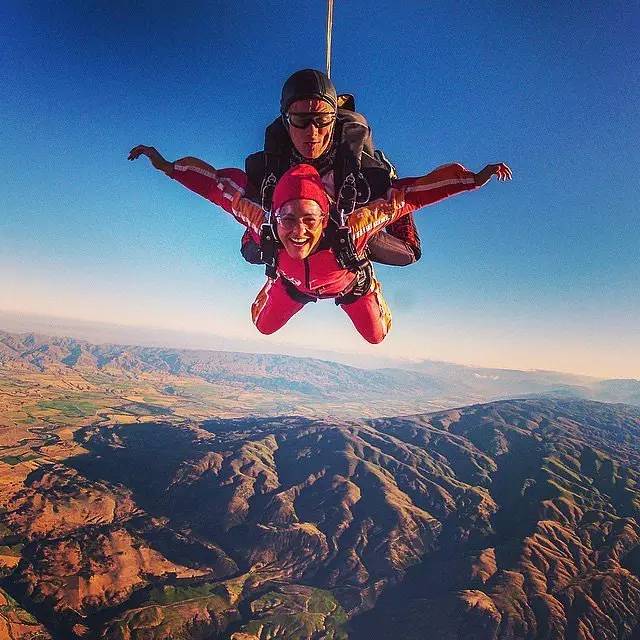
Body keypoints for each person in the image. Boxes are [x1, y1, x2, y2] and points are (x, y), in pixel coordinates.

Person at [128, 145, 511, 343]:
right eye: (287, 220)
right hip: (292, 284)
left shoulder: (354, 225)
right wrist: (165, 165)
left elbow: (411, 196)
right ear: (275, 216)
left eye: (309, 220)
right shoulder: (261, 219)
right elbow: (214, 186)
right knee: (262, 327)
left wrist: (473, 179)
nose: (297, 232)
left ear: (325, 217)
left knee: (377, 337)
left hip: (349, 282)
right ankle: (282, 280)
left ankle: (367, 282)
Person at [240, 69, 422, 269]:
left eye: (323, 119)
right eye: (301, 120)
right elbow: (249, 244)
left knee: (408, 252)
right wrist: (275, 234)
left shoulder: (367, 172)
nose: (312, 132)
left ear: (334, 120)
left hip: (348, 256)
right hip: (297, 268)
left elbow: (408, 249)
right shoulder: (267, 171)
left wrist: (357, 234)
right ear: (286, 121)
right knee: (255, 250)